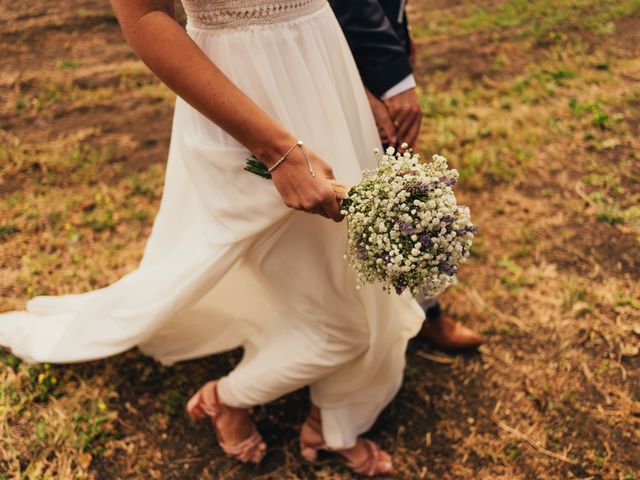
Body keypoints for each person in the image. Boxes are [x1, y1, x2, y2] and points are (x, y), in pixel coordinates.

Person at [0, 0, 428, 476]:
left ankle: (331, 417)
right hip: (246, 93)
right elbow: (144, 18)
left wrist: (364, 78)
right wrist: (277, 150)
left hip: (324, 63)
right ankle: (226, 399)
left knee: (351, 268)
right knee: (341, 324)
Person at [331, 0, 483, 352]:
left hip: (372, 42)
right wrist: (384, 79)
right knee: (369, 194)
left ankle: (418, 313)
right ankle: (406, 319)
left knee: (387, 193)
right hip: (337, 58)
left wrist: (400, 29)